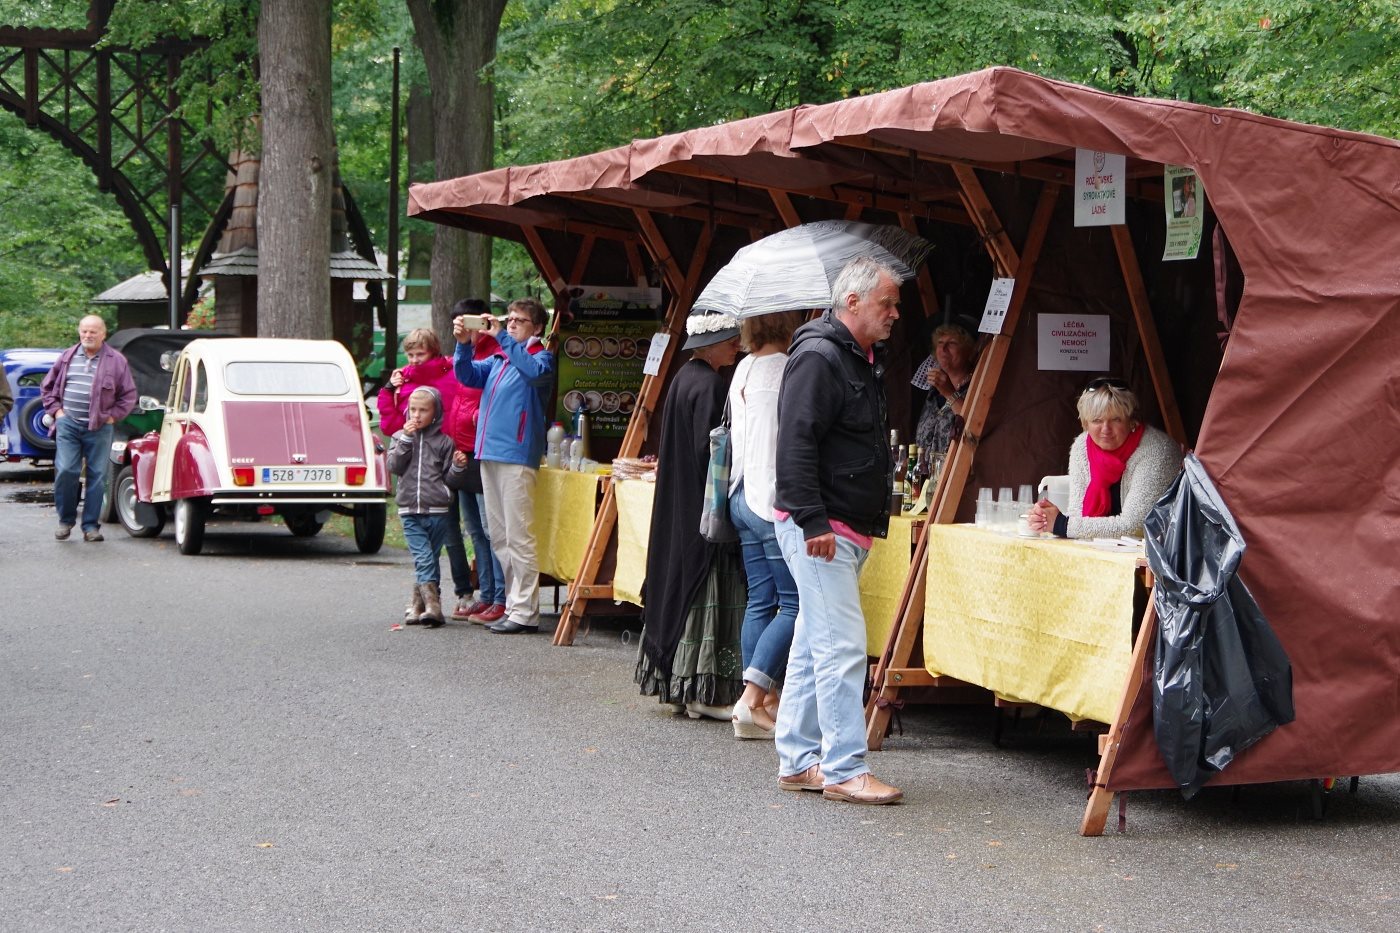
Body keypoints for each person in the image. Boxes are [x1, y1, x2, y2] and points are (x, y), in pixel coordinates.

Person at [772, 256, 904, 806]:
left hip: (838, 523)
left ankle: (799, 759)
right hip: (823, 525)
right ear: (852, 302)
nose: (895, 314)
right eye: (887, 303)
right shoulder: (823, 356)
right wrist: (812, 519)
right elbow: (795, 442)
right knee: (842, 644)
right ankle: (845, 768)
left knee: (813, 642)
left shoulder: (853, 355)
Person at [635, 308, 746, 720]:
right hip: (702, 506)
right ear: (710, 345)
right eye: (731, 340)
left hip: (677, 498)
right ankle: (704, 689)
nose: (737, 345)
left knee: (680, 578)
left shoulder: (683, 377)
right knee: (705, 586)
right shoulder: (713, 386)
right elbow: (711, 453)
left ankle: (678, 685)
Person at [452, 298, 555, 634]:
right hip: (490, 453)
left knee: (519, 536)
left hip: (516, 455)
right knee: (499, 536)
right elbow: (466, 375)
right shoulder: (499, 358)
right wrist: (463, 344)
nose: (510, 324)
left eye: (519, 320)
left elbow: (536, 374)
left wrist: (504, 340)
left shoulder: (541, 357)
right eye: (508, 319)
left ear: (537, 327)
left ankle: (526, 611)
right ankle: (513, 605)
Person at [726, 310, 804, 739]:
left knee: (760, 599)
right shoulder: (784, 369)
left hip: (739, 493)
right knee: (795, 604)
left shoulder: (744, 366)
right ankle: (752, 699)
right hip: (770, 498)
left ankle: (764, 700)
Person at [375, 327, 474, 619]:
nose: (415, 360)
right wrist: (389, 391)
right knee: (424, 551)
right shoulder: (403, 378)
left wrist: (453, 453)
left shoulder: (448, 373)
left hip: (441, 454)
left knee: (451, 535)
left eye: (421, 354)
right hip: (411, 461)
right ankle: (429, 602)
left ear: (433, 351)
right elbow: (392, 422)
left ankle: (461, 592)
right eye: (411, 354)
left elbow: (453, 411)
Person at [1026, 378, 1182, 539]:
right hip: (1104, 549)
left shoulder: (1157, 450)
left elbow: (1135, 526)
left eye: (1116, 419)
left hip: (1154, 555)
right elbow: (1077, 513)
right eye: (1097, 420)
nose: (1106, 429)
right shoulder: (1082, 446)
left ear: (1131, 420)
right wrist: (1046, 518)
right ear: (1085, 424)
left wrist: (1061, 524)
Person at [39, 315, 137, 542]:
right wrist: (58, 413)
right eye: (84, 331)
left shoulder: (116, 361)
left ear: (103, 334)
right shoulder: (67, 357)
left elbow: (128, 395)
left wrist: (113, 417)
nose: (88, 335)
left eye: (93, 331)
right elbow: (47, 387)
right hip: (68, 425)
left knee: (98, 476)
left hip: (100, 427)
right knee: (66, 471)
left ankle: (91, 526)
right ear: (79, 332)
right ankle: (65, 521)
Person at [444, 298, 507, 626]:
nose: (465, 327)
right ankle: (487, 594)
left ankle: (499, 596)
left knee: (490, 528)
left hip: (484, 451)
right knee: (476, 531)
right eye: (458, 322)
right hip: (462, 453)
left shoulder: (496, 350)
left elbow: (476, 385)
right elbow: (457, 380)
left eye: (469, 322)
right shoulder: (462, 352)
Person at [386, 387, 464, 628]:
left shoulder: (444, 442)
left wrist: (458, 468)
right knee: (423, 556)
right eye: (413, 410)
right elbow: (394, 466)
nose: (416, 415)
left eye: (423, 410)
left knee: (428, 558)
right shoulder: (400, 437)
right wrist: (407, 440)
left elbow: (449, 480)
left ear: (436, 413)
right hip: (410, 509)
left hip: (438, 510)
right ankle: (433, 606)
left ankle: (419, 605)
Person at [913, 323, 976, 461]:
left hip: (958, 479)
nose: (943, 348)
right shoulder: (931, 392)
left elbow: (974, 427)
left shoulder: (977, 387)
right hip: (926, 480)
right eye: (940, 343)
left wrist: (950, 393)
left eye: (952, 343)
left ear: (969, 350)